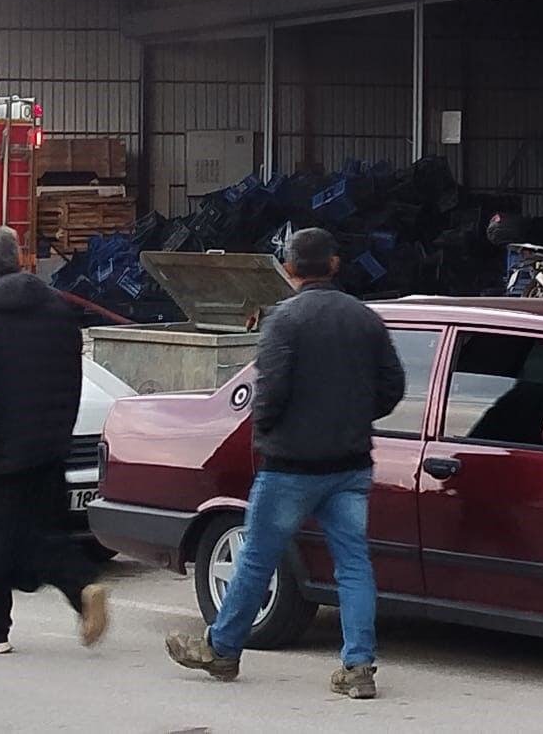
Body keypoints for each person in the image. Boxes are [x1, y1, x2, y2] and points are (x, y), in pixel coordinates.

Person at [166, 225, 404, 700]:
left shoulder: (284, 320)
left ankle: (223, 649)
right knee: (353, 564)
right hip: (351, 464)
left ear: (289, 267)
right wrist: (354, 418)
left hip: (291, 466)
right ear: (334, 264)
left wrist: (271, 436)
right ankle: (358, 667)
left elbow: (267, 395)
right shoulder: (365, 318)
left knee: (257, 557)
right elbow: (391, 387)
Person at [0, 227, 108, 655]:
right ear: (21, 259)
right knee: (31, 537)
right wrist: (59, 437)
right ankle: (81, 586)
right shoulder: (57, 310)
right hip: (48, 449)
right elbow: (72, 380)